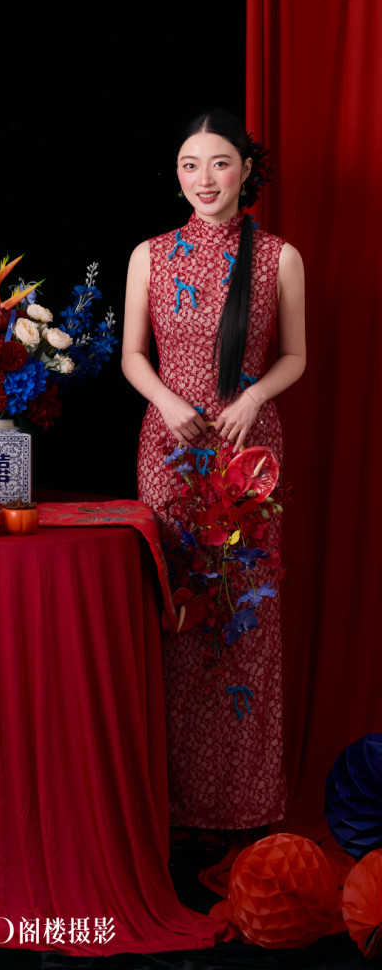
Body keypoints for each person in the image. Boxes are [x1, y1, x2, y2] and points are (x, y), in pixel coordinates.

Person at [121, 109, 305, 832]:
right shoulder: (150, 254)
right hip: (168, 449)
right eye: (190, 164)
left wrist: (252, 397)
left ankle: (245, 809)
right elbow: (134, 355)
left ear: (246, 171)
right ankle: (171, 810)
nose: (205, 178)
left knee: (245, 619)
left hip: (248, 452)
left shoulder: (279, 257)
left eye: (220, 162)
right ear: (177, 175)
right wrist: (167, 402)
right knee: (175, 615)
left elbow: (296, 356)